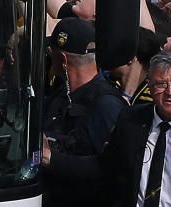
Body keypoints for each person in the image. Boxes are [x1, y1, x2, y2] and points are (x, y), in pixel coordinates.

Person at [56, 50, 171, 206]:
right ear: (149, 85)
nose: (170, 91)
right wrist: (53, 159)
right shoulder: (131, 120)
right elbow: (104, 167)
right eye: (161, 84)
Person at [41, 18, 124, 206]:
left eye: (50, 53)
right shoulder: (61, 96)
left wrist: (52, 159)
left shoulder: (106, 104)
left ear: (62, 59)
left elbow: (110, 169)